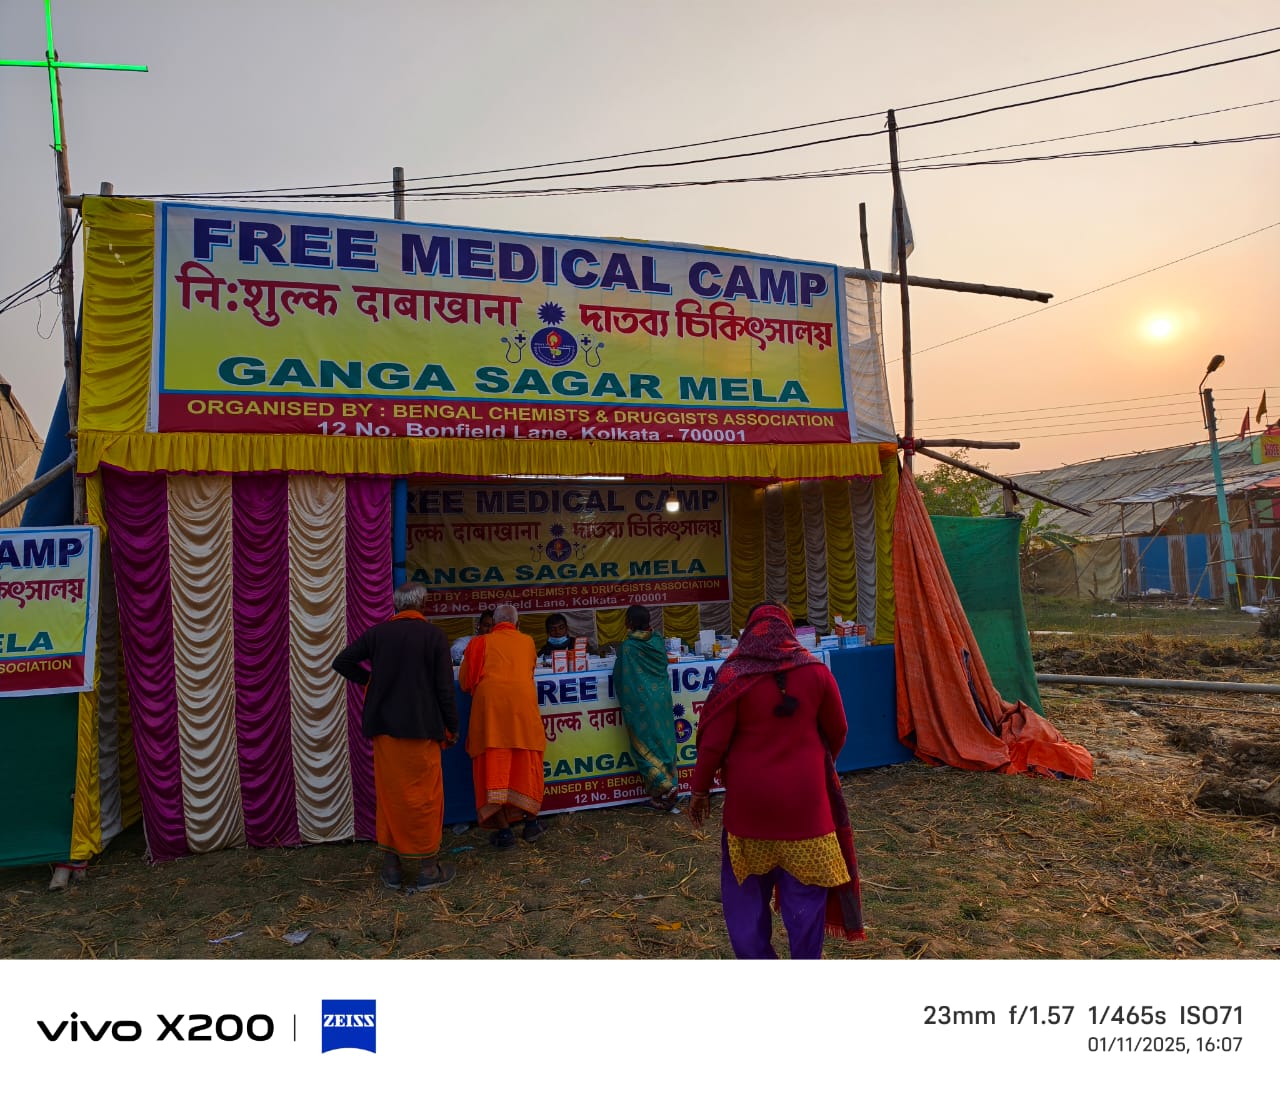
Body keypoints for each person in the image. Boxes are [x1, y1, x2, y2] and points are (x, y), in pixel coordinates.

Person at [688, 601, 864, 958]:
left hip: (749, 815)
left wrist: (700, 790)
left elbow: (713, 744)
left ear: (748, 632)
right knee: (805, 905)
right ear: (789, 630)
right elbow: (838, 730)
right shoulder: (816, 671)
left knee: (746, 904)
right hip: (808, 813)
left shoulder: (734, 675)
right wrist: (815, 767)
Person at [332, 582, 458, 893]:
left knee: (391, 796)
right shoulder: (433, 635)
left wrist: (371, 682)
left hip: (386, 730)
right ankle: (428, 869)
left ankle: (392, 869)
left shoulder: (378, 633)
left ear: (396, 605)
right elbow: (444, 688)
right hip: (422, 729)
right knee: (424, 797)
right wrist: (452, 726)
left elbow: (342, 661)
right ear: (422, 604)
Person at [459, 603, 548, 848]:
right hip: (522, 716)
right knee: (525, 766)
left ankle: (505, 832)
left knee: (492, 769)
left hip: (491, 720)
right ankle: (531, 824)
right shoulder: (527, 642)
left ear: (494, 625)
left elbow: (465, 683)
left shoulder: (479, 644)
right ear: (517, 624)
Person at [613, 604, 679, 811]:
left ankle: (664, 789)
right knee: (664, 741)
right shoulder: (657, 640)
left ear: (629, 622)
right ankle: (667, 788)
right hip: (661, 699)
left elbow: (619, 675)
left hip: (642, 703)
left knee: (644, 744)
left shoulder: (628, 647)